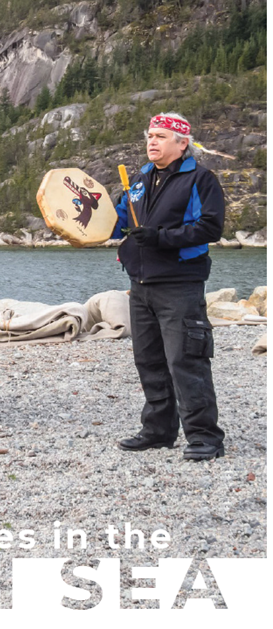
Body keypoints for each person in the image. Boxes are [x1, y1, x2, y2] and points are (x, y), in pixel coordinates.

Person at [113, 112, 225, 460]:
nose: (152, 141)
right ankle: (159, 431)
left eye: (161, 136)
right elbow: (118, 221)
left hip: (179, 283)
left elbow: (210, 227)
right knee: (148, 360)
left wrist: (160, 238)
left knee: (186, 360)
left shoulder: (201, 180)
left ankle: (206, 437)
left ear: (182, 143)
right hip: (141, 283)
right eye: (150, 135)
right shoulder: (140, 179)